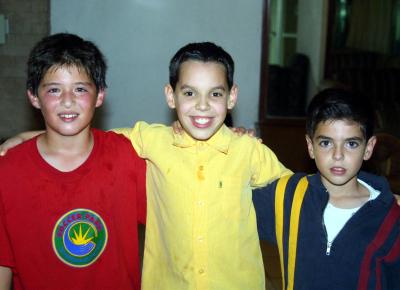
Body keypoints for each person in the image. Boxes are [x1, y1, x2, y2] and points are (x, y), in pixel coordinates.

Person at [0, 41, 291, 289]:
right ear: (170, 95)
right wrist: (32, 137)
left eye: (215, 93)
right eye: (189, 93)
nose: (202, 105)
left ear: (231, 97)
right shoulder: (151, 140)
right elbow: (81, 132)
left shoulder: (248, 150)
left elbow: (296, 199)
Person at [0, 33, 146, 290]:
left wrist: (238, 137)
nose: (68, 100)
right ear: (34, 97)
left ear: (100, 96)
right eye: (54, 90)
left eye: (80, 89)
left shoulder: (127, 157)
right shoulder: (8, 172)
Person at [252, 88, 400, 290]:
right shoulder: (287, 196)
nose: (338, 155)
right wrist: (232, 145)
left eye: (351, 144)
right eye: (325, 142)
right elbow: (225, 196)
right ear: (310, 146)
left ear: (368, 148)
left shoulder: (390, 217)